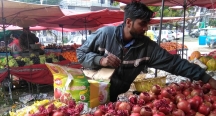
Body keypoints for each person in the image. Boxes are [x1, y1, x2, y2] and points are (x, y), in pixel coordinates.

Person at [76, 1, 216, 102]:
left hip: (115, 96)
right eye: (142, 24)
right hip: (91, 94)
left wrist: (206, 78)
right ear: (129, 22)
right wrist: (100, 60)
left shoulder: (147, 47)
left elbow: (175, 64)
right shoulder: (105, 34)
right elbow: (81, 54)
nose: (146, 28)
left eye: (147, 24)